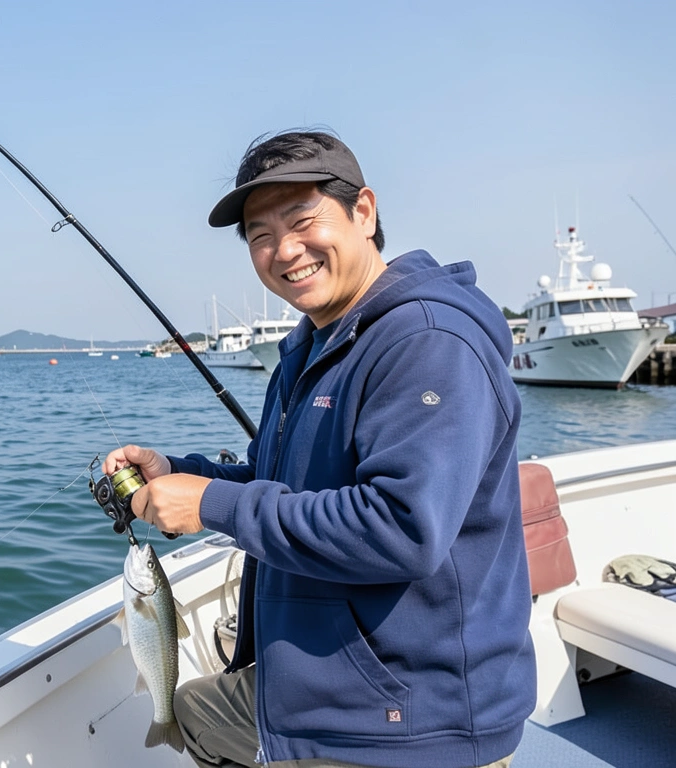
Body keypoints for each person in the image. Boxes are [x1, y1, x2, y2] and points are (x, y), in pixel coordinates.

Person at [104, 131, 533, 768]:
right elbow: (288, 477)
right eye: (259, 235)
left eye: (303, 221)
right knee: (192, 713)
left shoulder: (428, 342)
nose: (284, 251)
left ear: (363, 212)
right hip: (322, 684)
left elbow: (403, 529)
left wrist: (213, 505)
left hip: (411, 714)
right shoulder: (311, 345)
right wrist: (183, 475)